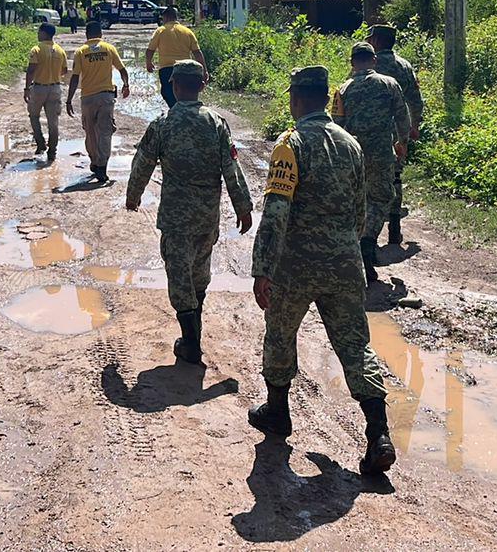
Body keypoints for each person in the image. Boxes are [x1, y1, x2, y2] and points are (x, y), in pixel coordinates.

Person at [248, 65, 395, 476]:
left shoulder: (290, 144)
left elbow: (276, 212)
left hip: (296, 265)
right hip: (345, 264)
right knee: (355, 346)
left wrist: (262, 268)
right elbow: (360, 210)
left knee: (280, 333)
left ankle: (277, 413)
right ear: (328, 98)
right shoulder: (352, 145)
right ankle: (378, 433)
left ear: (295, 99)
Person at [124, 60, 253, 364]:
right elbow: (231, 167)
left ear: (174, 85)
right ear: (202, 86)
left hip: (176, 218)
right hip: (207, 217)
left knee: (180, 277)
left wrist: (134, 195)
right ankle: (193, 335)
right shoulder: (217, 123)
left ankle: (191, 343)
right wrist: (243, 206)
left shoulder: (163, 124)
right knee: (199, 274)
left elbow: (142, 163)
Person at [331, 43, 411, 284]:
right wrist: (402, 142)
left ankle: (355, 250)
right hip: (382, 154)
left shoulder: (343, 90)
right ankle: (368, 241)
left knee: (356, 201)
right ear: (374, 60)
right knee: (382, 197)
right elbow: (402, 115)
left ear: (352, 63)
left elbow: (336, 126)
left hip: (353, 156)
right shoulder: (389, 84)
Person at [368, 24, 423, 246]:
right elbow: (415, 100)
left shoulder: (368, 65)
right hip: (397, 130)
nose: (370, 42)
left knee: (368, 178)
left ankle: (367, 234)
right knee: (395, 177)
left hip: (369, 131)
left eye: (371, 39)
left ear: (378, 41)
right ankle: (394, 229)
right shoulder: (404, 66)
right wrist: (414, 125)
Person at [66, 21, 130, 184]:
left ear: (87, 34)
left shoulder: (81, 52)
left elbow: (75, 77)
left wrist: (69, 99)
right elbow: (122, 69)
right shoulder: (109, 49)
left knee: (90, 132)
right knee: (105, 132)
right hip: (106, 97)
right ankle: (101, 165)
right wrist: (126, 85)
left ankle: (95, 160)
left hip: (87, 98)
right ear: (100, 34)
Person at [145, 6, 207, 108]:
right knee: (186, 95)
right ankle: (183, 113)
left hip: (166, 70)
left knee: (168, 94)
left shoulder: (160, 31)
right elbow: (197, 53)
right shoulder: (187, 32)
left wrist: (148, 63)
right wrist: (204, 70)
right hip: (186, 70)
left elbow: (150, 50)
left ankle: (176, 112)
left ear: (166, 17)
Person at [24, 22, 68, 158]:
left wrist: (26, 88)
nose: (38, 34)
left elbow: (31, 70)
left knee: (34, 116)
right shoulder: (60, 50)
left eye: (39, 31)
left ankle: (40, 142)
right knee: (53, 121)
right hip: (55, 88)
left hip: (39, 88)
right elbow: (65, 70)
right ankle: (52, 151)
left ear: (44, 33)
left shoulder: (36, 49)